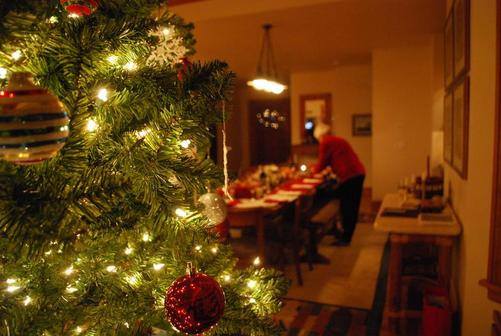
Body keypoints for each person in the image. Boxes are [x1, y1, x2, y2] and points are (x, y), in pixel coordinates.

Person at [312, 123, 366, 246]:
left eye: (318, 139)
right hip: (357, 173)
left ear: (320, 135)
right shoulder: (338, 140)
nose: (319, 142)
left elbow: (321, 163)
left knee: (348, 206)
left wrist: (312, 173)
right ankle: (342, 232)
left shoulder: (326, 142)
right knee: (349, 205)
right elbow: (336, 159)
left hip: (350, 175)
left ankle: (345, 238)